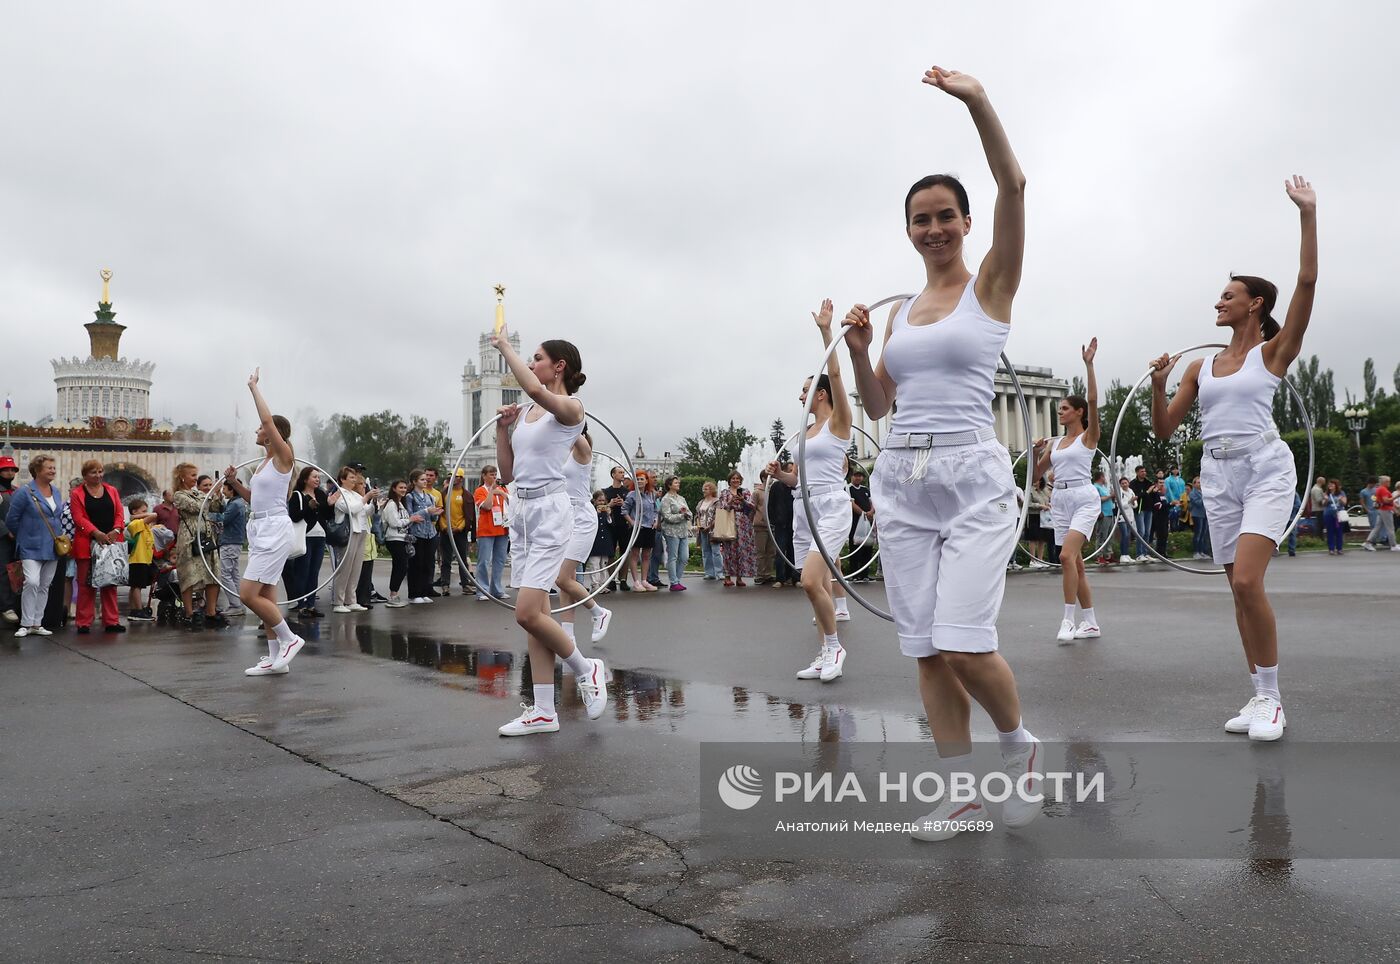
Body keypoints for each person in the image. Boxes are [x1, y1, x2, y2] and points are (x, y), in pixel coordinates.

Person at [841, 66, 1040, 839]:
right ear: (909, 230)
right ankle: (960, 794)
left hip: (973, 477)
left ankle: (1018, 746)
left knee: (964, 641)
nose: (934, 228)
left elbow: (1015, 188)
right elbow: (880, 403)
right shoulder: (904, 315)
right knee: (926, 650)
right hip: (903, 479)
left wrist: (978, 101)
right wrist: (860, 351)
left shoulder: (988, 286)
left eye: (946, 215)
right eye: (921, 219)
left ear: (964, 221)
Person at [1149, 174, 1317, 742]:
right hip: (1215, 474)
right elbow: (1164, 427)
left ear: (1255, 304)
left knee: (1248, 582)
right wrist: (1158, 384)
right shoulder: (1201, 366)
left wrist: (1306, 214)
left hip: (1265, 467)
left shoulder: (1273, 354)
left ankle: (1272, 699)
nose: (1218, 301)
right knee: (1238, 592)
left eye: (1228, 295)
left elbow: (1308, 282)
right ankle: (1257, 693)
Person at [488, 324, 608, 736]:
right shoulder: (524, 414)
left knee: (526, 611)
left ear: (558, 366)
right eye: (530, 357)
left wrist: (505, 347)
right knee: (533, 617)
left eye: (536, 358)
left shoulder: (572, 408)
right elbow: (507, 472)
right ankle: (543, 710)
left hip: (551, 511)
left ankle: (585, 667)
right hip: (521, 511)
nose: (531, 363)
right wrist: (503, 430)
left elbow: (539, 393)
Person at [768, 298, 858, 681]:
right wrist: (780, 475)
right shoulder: (803, 434)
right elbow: (798, 480)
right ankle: (824, 652)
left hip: (832, 506)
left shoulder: (838, 422)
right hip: (803, 505)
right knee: (816, 585)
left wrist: (826, 332)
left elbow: (836, 377)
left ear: (820, 394)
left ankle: (836, 649)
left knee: (809, 580)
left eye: (806, 391)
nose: (801, 397)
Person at [222, 369, 304, 675]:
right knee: (266, 594)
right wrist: (234, 481)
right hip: (259, 528)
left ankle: (289, 638)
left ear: (272, 434)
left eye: (261, 428)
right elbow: (252, 498)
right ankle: (273, 657)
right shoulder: (263, 464)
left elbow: (269, 421)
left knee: (247, 594)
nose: (258, 430)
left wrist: (253, 387)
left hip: (274, 529)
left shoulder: (284, 456)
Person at [1031, 339, 1102, 643]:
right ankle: (1091, 623)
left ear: (1078, 412)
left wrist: (1089, 365)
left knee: (1065, 557)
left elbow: (1095, 402)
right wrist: (1035, 454)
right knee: (1076, 564)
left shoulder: (1089, 437)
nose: (1059, 412)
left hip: (1084, 498)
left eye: (1064, 409)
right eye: (1059, 409)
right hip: (1058, 498)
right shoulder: (1055, 443)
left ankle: (1067, 621)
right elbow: (1036, 475)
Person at [558, 430, 614, 644]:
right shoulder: (560, 451)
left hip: (581, 517)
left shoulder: (582, 449)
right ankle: (568, 633)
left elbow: (572, 425)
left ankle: (599, 612)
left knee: (561, 578)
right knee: (567, 579)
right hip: (563, 516)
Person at [6, 454, 65, 638]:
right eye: (49, 468)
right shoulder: (24, 492)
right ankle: (25, 623)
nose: (53, 471)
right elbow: (11, 519)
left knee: (45, 585)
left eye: (54, 468)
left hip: (52, 545)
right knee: (31, 582)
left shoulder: (55, 491)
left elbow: (57, 516)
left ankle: (37, 623)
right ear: (38, 470)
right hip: (30, 545)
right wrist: (24, 535)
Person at [68, 460, 127, 635]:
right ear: (85, 475)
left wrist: (116, 530)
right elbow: (78, 519)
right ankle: (84, 622)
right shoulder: (77, 494)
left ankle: (111, 621)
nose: (98, 475)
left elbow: (119, 513)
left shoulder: (112, 490)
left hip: (111, 542)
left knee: (110, 583)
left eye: (100, 471)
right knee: (86, 584)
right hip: (88, 543)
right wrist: (96, 533)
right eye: (94, 472)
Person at [172, 462, 224, 630]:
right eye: (193, 475)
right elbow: (196, 508)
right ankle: (189, 613)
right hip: (189, 538)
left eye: (196, 475)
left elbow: (217, 507)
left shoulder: (199, 493)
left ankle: (211, 612)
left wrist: (218, 494)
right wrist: (210, 495)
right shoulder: (179, 495)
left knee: (212, 573)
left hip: (207, 537)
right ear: (182, 477)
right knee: (189, 575)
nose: (195, 478)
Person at [329, 467, 376, 612]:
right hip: (348, 533)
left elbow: (366, 510)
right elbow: (352, 510)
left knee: (356, 568)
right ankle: (338, 602)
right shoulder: (339, 493)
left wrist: (373, 501)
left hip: (361, 531)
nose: (354, 480)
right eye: (351, 477)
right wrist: (366, 498)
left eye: (355, 477)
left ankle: (351, 599)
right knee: (345, 568)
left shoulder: (355, 495)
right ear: (342, 479)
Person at [285, 467, 330, 618]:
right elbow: (295, 516)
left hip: (320, 536)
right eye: (314, 477)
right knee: (302, 571)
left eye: (318, 477)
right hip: (305, 536)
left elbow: (327, 515)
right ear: (305, 479)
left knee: (314, 572)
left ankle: (311, 605)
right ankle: (301, 605)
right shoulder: (297, 495)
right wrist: (309, 508)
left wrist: (330, 504)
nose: (317, 479)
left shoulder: (320, 494)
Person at [210, 480, 247, 619]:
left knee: (225, 574)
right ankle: (238, 603)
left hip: (230, 542)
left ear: (232, 489)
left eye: (225, 488)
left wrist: (207, 516)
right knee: (234, 574)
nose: (224, 491)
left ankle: (235, 605)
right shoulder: (237, 503)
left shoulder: (236, 504)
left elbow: (223, 518)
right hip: (234, 541)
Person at [473, 466, 510, 600]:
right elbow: (487, 506)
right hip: (486, 530)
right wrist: (492, 491)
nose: (494, 477)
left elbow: (511, 503)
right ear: (484, 476)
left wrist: (502, 493)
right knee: (484, 561)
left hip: (502, 528)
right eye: (491, 475)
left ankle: (497, 589)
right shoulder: (479, 491)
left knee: (500, 560)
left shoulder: (503, 489)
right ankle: (482, 590)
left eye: (495, 475)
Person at [405, 469, 440, 604]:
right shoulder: (410, 497)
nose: (425, 482)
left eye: (426, 479)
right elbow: (410, 515)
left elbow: (432, 516)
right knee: (416, 564)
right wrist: (426, 511)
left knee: (428, 563)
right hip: (417, 533)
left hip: (430, 533)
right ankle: (415, 593)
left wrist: (435, 512)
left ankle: (425, 590)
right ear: (414, 481)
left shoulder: (430, 496)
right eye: (422, 479)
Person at [622, 471, 660, 591]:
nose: (639, 481)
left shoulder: (651, 494)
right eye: (637, 479)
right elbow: (624, 510)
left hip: (649, 527)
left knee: (647, 555)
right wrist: (632, 522)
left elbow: (655, 510)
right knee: (634, 554)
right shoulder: (632, 495)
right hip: (637, 528)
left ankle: (644, 580)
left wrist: (655, 521)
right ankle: (636, 581)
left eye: (642, 479)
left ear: (647, 481)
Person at [718, 470, 757, 587]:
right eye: (733, 478)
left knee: (742, 549)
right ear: (729, 480)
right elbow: (721, 507)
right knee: (728, 550)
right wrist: (730, 502)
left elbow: (752, 506)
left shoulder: (745, 492)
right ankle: (727, 576)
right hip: (729, 521)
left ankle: (740, 577)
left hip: (743, 523)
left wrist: (743, 500)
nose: (735, 480)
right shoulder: (724, 492)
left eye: (737, 478)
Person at [379, 480, 413, 607]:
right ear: (394, 489)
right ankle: (393, 595)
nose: (403, 490)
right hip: (394, 539)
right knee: (401, 566)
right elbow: (394, 523)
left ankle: (395, 594)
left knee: (401, 566)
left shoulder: (401, 504)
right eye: (400, 487)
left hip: (402, 538)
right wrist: (410, 519)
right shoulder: (392, 504)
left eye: (405, 487)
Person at [125, 498, 158, 621]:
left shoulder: (142, 524)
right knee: (137, 586)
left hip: (144, 559)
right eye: (144, 511)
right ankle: (138, 610)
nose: (146, 512)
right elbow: (154, 515)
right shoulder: (135, 524)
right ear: (134, 512)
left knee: (135, 586)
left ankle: (134, 609)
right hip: (138, 559)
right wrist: (135, 517)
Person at [601, 466, 633, 592]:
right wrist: (610, 504)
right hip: (610, 526)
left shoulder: (628, 492)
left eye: (623, 472)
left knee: (625, 552)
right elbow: (599, 508)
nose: (622, 475)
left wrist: (623, 503)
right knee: (610, 553)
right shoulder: (606, 491)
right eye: (620, 472)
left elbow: (633, 508)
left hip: (624, 525)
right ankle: (611, 580)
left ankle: (623, 579)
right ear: (613, 475)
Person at [444, 469, 474, 593]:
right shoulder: (443, 493)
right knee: (446, 559)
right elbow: (441, 512)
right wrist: (445, 526)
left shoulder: (466, 495)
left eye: (455, 476)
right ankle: (445, 584)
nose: (452, 478)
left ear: (461, 479)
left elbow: (468, 515)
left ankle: (465, 584)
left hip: (460, 532)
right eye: (450, 476)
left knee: (462, 558)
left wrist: (460, 527)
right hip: (446, 531)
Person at [0, 454, 20, 625]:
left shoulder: (17, 490)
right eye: (5, 469)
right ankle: (6, 607)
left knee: (16, 572)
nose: (9, 472)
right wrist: (6, 531)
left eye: (12, 469)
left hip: (17, 538)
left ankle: (14, 605)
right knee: (3, 572)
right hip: (2, 538)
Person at [847, 467, 876, 582]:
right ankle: (854, 573)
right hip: (855, 522)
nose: (858, 478)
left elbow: (872, 502)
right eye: (855, 475)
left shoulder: (865, 489)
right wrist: (863, 513)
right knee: (855, 547)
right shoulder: (848, 488)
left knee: (867, 547)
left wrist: (871, 512)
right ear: (851, 476)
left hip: (867, 522)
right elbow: (851, 503)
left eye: (860, 476)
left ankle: (865, 574)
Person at [693, 481, 722, 580]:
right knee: (705, 551)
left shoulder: (716, 501)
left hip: (713, 530)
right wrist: (698, 525)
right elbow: (697, 515)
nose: (703, 490)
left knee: (716, 551)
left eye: (706, 488)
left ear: (711, 490)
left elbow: (718, 515)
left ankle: (719, 572)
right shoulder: (701, 502)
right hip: (702, 530)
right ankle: (709, 573)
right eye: (703, 488)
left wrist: (709, 526)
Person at [1362, 475, 1397, 551]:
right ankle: (1393, 545)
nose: (1389, 483)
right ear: (1385, 482)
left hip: (1382, 509)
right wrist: (1396, 496)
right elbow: (1386, 500)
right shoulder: (1383, 489)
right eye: (1388, 481)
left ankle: (1368, 542)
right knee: (1390, 528)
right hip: (1386, 510)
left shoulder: (1379, 489)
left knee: (1377, 527)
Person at [752, 472, 775, 583]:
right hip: (760, 525)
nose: (772, 479)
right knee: (761, 551)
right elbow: (753, 507)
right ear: (763, 478)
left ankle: (768, 573)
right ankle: (760, 574)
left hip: (772, 525)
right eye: (770, 477)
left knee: (771, 551)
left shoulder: (772, 491)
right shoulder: (757, 492)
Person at [1130, 465, 1154, 553]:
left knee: (1147, 532)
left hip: (1148, 509)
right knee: (1141, 532)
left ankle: (1145, 552)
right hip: (1139, 509)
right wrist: (1147, 492)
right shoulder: (1133, 483)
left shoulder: (1148, 482)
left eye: (1144, 471)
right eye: (1141, 471)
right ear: (1137, 472)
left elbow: (1152, 494)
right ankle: (1139, 553)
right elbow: (1135, 496)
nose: (1144, 473)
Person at [1116, 477, 1140, 562]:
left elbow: (1135, 505)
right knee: (1124, 535)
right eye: (1122, 483)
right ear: (1120, 485)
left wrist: (1133, 502)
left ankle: (1127, 554)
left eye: (1126, 483)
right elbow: (1121, 505)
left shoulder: (1131, 491)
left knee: (1128, 536)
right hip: (1122, 517)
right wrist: (1130, 501)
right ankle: (1123, 555)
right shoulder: (1120, 492)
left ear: (1128, 483)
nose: (1124, 484)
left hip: (1130, 516)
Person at [1321, 479, 1348, 555]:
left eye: (1332, 484)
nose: (1330, 486)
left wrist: (1341, 500)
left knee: (1339, 531)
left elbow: (1345, 503)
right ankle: (1331, 549)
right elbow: (1323, 504)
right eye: (1329, 484)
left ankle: (1339, 548)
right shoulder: (1326, 494)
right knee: (1330, 532)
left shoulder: (1341, 493)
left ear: (1336, 485)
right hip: (1328, 514)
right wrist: (1326, 499)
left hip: (1339, 514)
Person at [1189, 475, 1211, 559]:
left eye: (1201, 483)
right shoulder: (1192, 493)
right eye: (1198, 483)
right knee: (1198, 533)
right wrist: (1204, 497)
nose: (1200, 484)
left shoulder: (1203, 492)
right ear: (1194, 484)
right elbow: (1197, 503)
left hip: (1204, 514)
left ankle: (1202, 551)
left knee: (1203, 534)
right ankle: (1196, 552)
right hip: (1197, 515)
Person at [1164, 466, 1186, 530]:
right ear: (1171, 470)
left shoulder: (1181, 480)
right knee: (1173, 517)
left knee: (1180, 518)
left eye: (1177, 469)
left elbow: (1183, 490)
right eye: (1174, 469)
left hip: (1180, 500)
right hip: (1173, 501)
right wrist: (1173, 500)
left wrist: (1183, 499)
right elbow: (1168, 490)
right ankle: (1173, 531)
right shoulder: (1168, 480)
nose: (1175, 471)